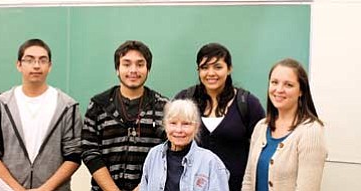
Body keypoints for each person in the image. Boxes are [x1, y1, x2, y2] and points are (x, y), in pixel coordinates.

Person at [0, 39, 82, 191]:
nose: (36, 65)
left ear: (50, 66)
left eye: (42, 60)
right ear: (19, 65)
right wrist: (17, 189)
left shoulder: (67, 106)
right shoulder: (0, 105)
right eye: (29, 60)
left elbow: (74, 155)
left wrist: (44, 189)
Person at [174, 43, 265, 191]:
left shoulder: (247, 103)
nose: (211, 73)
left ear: (229, 69)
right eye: (204, 67)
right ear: (198, 71)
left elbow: (261, 149)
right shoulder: (184, 99)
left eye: (218, 67)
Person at [81, 40, 168, 191]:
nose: (133, 70)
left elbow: (169, 153)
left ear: (148, 69)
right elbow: (89, 151)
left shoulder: (163, 107)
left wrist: (143, 187)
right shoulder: (98, 105)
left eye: (140, 64)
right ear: (117, 68)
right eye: (126, 64)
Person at [242, 58, 327, 191]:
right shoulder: (261, 127)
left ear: (301, 91)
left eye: (288, 85)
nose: (279, 89)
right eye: (274, 82)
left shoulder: (311, 131)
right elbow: (248, 179)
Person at [139, 99, 230, 191]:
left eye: (186, 124)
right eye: (173, 123)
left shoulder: (211, 162)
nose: (179, 130)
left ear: (196, 128)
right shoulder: (154, 155)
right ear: (165, 126)